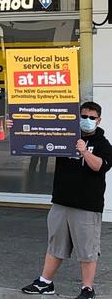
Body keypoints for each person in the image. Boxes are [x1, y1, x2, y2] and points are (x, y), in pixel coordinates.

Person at [19, 102, 112, 299]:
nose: (87, 120)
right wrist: (16, 127)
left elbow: (99, 167)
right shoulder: (65, 134)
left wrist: (85, 151)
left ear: (98, 120)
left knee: (87, 250)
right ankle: (45, 282)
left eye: (92, 117)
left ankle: (87, 288)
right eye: (84, 116)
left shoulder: (103, 144)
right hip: (61, 201)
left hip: (87, 206)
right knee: (55, 245)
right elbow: (36, 138)